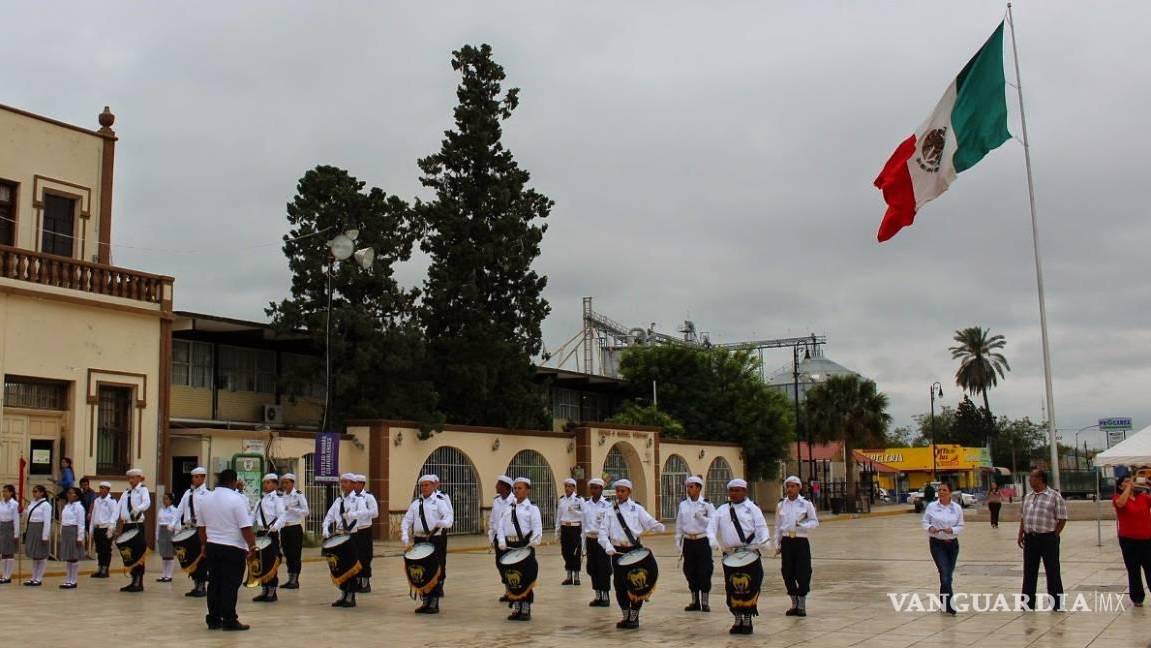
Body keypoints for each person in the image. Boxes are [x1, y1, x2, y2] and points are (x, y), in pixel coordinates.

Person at [598, 479, 665, 630]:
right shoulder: (609, 510)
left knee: (636, 585)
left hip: (634, 551)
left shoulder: (636, 508)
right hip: (617, 551)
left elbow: (648, 522)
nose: (620, 494)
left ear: (629, 492)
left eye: (623, 491)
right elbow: (602, 532)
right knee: (620, 585)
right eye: (618, 491)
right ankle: (625, 616)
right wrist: (607, 545)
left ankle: (634, 617)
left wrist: (658, 526)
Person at [196, 469, 256, 631]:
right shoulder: (237, 499)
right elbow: (245, 527)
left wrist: (203, 545)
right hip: (233, 547)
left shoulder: (205, 499)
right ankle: (229, 619)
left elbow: (201, 527)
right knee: (230, 584)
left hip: (212, 546)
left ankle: (213, 619)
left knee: (214, 583)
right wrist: (252, 545)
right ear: (233, 482)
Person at [709, 478, 770, 635]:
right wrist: (713, 541)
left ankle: (748, 618)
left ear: (745, 491)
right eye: (731, 490)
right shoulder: (722, 510)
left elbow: (761, 527)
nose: (734, 493)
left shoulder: (752, 508)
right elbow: (711, 527)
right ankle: (737, 618)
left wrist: (764, 541)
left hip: (749, 553)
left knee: (750, 587)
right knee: (732, 588)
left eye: (737, 490)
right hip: (731, 555)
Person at [401, 474, 453, 614]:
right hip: (419, 539)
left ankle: (434, 602)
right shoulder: (416, 504)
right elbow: (406, 520)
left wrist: (443, 523)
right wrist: (405, 536)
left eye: (427, 485)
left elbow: (449, 517)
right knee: (422, 570)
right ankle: (425, 601)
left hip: (435, 538)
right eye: (422, 485)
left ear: (433, 486)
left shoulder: (439, 501)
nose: (424, 488)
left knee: (434, 569)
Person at [1017, 468, 1067, 611]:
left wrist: (1055, 534)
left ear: (1040, 479)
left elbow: (1062, 518)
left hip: (1048, 538)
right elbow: (1023, 516)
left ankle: (1057, 604)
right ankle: (1027, 603)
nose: (1029, 480)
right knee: (1029, 572)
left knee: (1052, 571)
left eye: (1032, 477)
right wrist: (1021, 533)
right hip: (1030, 538)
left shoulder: (1054, 496)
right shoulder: (1028, 496)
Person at [497, 477, 543, 621]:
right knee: (511, 577)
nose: (516, 491)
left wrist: (533, 542)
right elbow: (500, 526)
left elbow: (537, 529)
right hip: (509, 546)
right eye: (515, 488)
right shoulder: (508, 507)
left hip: (524, 546)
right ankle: (516, 607)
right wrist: (501, 540)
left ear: (527, 490)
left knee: (525, 577)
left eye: (520, 488)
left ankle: (525, 607)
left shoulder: (532, 508)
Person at [775, 474, 819, 616]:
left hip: (801, 540)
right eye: (788, 486)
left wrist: (803, 524)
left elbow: (814, 521)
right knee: (787, 572)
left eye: (793, 486)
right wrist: (778, 543)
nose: (790, 489)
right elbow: (778, 526)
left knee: (803, 572)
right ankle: (793, 602)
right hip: (787, 541)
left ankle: (802, 603)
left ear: (799, 488)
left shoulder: (806, 503)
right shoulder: (781, 504)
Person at [322, 473, 364, 608]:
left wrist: (352, 514)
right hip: (339, 536)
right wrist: (325, 528)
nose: (343, 485)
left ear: (353, 484)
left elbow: (365, 513)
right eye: (342, 482)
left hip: (351, 536)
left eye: (346, 482)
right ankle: (343, 593)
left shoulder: (359, 499)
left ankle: (351, 596)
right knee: (340, 566)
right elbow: (329, 516)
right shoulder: (338, 500)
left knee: (351, 566)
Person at [923, 481, 964, 615]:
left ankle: (944, 603)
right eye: (940, 490)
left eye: (944, 490)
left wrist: (951, 530)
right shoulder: (932, 507)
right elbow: (925, 521)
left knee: (947, 576)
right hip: (937, 543)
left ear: (950, 493)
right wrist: (931, 528)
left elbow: (960, 525)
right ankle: (950, 606)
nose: (941, 492)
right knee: (944, 573)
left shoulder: (956, 508)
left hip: (952, 544)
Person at [675, 475, 715, 612]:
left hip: (702, 540)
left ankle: (705, 601)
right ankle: (694, 601)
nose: (689, 489)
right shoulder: (683, 504)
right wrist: (678, 541)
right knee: (689, 571)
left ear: (699, 488)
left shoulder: (707, 504)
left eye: (691, 487)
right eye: (688, 487)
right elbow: (679, 524)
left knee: (705, 571)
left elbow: (714, 523)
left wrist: (702, 518)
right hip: (688, 541)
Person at [1112, 474, 1151, 607]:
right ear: (1120, 485)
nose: (1130, 483)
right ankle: (1137, 598)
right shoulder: (1117, 498)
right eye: (1126, 482)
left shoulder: (1143, 497)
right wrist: (1128, 488)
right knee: (1133, 569)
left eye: (1131, 481)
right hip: (1129, 541)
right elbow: (1120, 504)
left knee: (1149, 568)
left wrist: (1148, 484)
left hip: (1147, 539)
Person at [173, 467, 211, 596]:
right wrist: (174, 523)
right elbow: (180, 509)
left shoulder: (208, 493)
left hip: (201, 529)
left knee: (201, 558)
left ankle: (202, 586)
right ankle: (196, 584)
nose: (194, 479)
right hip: (189, 528)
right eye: (193, 477)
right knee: (191, 558)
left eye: (197, 477)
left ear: (202, 477)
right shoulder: (188, 493)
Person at [115, 468, 151, 592]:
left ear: (140, 478)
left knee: (138, 552)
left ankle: (138, 581)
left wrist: (138, 509)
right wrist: (112, 524)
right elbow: (118, 507)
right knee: (127, 553)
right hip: (126, 525)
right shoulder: (126, 492)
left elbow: (147, 503)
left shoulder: (143, 490)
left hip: (136, 524)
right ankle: (133, 578)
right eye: (129, 478)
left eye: (133, 477)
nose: (130, 480)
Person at [251, 473, 284, 603]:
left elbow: (282, 515)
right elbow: (253, 516)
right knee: (261, 562)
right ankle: (264, 589)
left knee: (271, 561)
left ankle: (272, 591)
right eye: (265, 483)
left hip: (271, 533)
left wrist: (276, 527)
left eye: (269, 483)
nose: (266, 485)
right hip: (260, 533)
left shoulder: (277, 498)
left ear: (275, 485)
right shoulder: (261, 499)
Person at [582, 477, 613, 607]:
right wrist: (583, 544)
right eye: (592, 488)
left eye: (596, 488)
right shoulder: (586, 504)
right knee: (592, 567)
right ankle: (597, 595)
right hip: (590, 539)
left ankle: (605, 595)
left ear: (601, 489)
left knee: (604, 568)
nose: (593, 490)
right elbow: (583, 525)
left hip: (603, 540)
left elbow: (611, 524)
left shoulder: (607, 505)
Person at [278, 473, 308, 590]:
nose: (284, 485)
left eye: (287, 482)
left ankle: (295, 579)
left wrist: (293, 509)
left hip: (295, 527)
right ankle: (290, 577)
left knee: (295, 554)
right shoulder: (282, 496)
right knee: (287, 553)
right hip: (284, 528)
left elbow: (306, 511)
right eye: (283, 482)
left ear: (292, 483)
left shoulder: (298, 495)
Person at [489, 475, 515, 602]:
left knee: (511, 565)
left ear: (506, 487)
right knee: (500, 564)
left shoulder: (515, 501)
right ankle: (507, 590)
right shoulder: (496, 500)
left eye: (498, 484)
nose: (496, 486)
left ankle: (513, 591)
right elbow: (493, 518)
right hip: (498, 538)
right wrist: (491, 532)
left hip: (510, 538)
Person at [352, 474, 379, 593]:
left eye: (356, 483)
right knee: (354, 557)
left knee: (365, 556)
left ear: (362, 484)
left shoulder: (368, 497)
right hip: (353, 530)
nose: (354, 486)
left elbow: (375, 513)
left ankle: (365, 582)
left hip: (364, 530)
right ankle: (356, 581)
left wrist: (362, 513)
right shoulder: (350, 497)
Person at [556, 477, 584, 586]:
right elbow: (559, 515)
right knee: (565, 552)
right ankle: (568, 575)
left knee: (575, 552)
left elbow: (585, 514)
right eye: (565, 486)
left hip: (575, 528)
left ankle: (576, 576)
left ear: (574, 487)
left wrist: (575, 512)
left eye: (569, 486)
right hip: (565, 528)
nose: (567, 488)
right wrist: (557, 530)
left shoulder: (579, 499)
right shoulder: (562, 499)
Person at [23, 484, 52, 586]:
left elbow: (47, 521)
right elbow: (31, 514)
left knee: (41, 554)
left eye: (36, 491)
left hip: (40, 528)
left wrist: (45, 535)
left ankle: (39, 578)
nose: (34, 493)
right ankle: (33, 577)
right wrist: (23, 511)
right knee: (35, 555)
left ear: (42, 493)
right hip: (32, 527)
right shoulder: (32, 503)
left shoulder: (46, 505)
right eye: (33, 491)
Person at [88, 481, 117, 579]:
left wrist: (111, 529)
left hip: (106, 528)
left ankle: (105, 569)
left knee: (106, 550)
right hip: (98, 528)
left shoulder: (111, 501)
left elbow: (114, 515)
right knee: (99, 550)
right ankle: (100, 568)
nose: (101, 490)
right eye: (100, 488)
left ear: (108, 490)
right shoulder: (97, 500)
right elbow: (93, 515)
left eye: (103, 488)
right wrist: (91, 528)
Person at [59, 486, 86, 589]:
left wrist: (80, 537)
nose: (69, 495)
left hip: (73, 531)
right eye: (68, 493)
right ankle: (68, 579)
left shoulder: (79, 507)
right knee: (68, 557)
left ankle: (73, 580)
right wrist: (62, 531)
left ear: (77, 496)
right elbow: (63, 520)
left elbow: (81, 523)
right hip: (66, 531)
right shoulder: (67, 506)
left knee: (74, 556)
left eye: (72, 493)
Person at [156, 492, 179, 583]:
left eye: (166, 498)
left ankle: (169, 575)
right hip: (162, 531)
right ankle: (164, 574)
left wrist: (176, 535)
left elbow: (177, 522)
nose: (164, 500)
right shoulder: (161, 510)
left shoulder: (174, 510)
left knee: (169, 554)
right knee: (164, 554)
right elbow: (158, 523)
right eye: (163, 498)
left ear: (171, 500)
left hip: (170, 531)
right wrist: (157, 535)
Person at [0, 484, 18, 584]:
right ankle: (4, 574)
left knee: (9, 552)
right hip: (2, 527)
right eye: (3, 491)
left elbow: (16, 520)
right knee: (3, 552)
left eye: (6, 491)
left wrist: (16, 534)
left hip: (10, 527)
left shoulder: (14, 504)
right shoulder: (1, 503)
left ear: (11, 493)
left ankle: (8, 575)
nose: (4, 493)